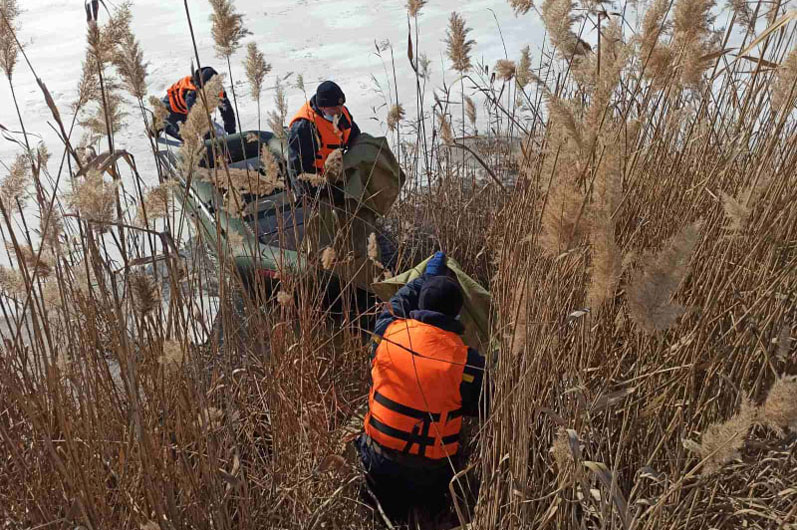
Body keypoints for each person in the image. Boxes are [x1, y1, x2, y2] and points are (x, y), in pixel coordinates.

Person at [356, 251, 486, 520]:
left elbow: (399, 301)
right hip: (430, 475)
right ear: (457, 314)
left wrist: (426, 278)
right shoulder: (468, 362)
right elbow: (480, 405)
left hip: (377, 464)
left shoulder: (387, 332)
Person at [288, 80, 361, 194]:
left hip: (337, 174)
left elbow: (356, 139)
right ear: (322, 107)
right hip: (316, 183)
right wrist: (320, 193)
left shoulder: (342, 114)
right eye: (334, 108)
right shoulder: (304, 128)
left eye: (341, 106)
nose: (339, 111)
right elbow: (298, 172)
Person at [160, 66, 236, 140]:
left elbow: (227, 111)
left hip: (186, 108)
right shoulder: (192, 94)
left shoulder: (218, 89)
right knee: (187, 137)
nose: (214, 91)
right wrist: (209, 139)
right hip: (172, 109)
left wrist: (231, 132)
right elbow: (197, 119)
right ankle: (162, 125)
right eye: (210, 88)